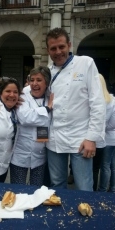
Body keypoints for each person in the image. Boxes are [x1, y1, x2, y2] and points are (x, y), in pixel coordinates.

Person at [46, 27, 105, 191]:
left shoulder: (85, 63)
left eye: (61, 47)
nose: (58, 52)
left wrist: (92, 137)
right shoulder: (47, 72)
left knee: (84, 186)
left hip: (81, 137)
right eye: (53, 48)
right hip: (55, 137)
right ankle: (60, 216)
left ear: (69, 45)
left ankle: (85, 216)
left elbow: (97, 101)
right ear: (48, 50)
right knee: (57, 184)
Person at [10, 66, 53, 186]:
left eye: (39, 80)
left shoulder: (50, 97)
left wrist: (37, 115)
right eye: (32, 80)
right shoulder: (23, 96)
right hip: (20, 153)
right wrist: (47, 109)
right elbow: (25, 118)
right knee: (18, 189)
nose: (34, 84)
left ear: (47, 83)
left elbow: (39, 119)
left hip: (40, 155)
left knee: (37, 189)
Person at [93, 74, 114, 191]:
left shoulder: (94, 100)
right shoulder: (111, 101)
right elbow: (111, 123)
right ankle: (100, 191)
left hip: (95, 139)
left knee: (94, 169)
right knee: (101, 168)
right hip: (104, 138)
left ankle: (95, 191)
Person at [98, 78, 115, 193]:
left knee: (105, 166)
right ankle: (113, 189)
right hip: (113, 137)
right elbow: (113, 123)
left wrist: (102, 129)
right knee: (112, 165)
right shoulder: (112, 100)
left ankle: (102, 190)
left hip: (106, 139)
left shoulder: (100, 101)